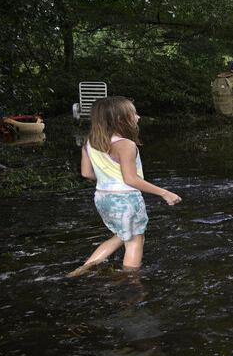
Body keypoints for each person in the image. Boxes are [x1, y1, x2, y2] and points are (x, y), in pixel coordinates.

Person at [68, 96, 182, 277]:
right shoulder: (125, 145)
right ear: (120, 120)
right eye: (133, 114)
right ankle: (130, 283)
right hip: (125, 200)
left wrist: (110, 178)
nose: (138, 117)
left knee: (121, 236)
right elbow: (131, 179)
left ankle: (81, 270)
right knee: (135, 241)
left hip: (103, 197)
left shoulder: (89, 142)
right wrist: (164, 193)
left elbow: (87, 173)